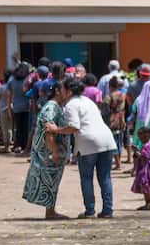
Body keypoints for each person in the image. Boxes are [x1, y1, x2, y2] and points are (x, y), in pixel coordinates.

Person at [45, 77, 117, 219]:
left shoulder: (71, 105)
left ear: (69, 91)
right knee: (105, 177)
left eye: (64, 88)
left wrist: (56, 129)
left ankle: (90, 211)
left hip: (88, 143)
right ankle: (107, 210)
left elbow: (74, 127)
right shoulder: (88, 101)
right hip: (107, 140)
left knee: (86, 178)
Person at [22, 78, 73, 220]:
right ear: (57, 91)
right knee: (50, 180)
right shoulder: (51, 108)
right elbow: (48, 131)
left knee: (52, 181)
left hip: (51, 151)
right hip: (48, 153)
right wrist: (54, 151)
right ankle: (50, 212)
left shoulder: (56, 107)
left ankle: (51, 210)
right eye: (65, 90)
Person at [103, 77, 128, 169]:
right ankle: (119, 162)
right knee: (119, 142)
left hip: (112, 121)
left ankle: (118, 164)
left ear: (109, 86)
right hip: (121, 120)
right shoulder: (122, 95)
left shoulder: (108, 97)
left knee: (113, 142)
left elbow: (105, 112)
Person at [131, 126, 150, 210]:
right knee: (144, 185)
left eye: (143, 137)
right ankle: (147, 202)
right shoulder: (147, 144)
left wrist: (136, 151)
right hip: (143, 167)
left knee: (144, 184)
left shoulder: (147, 145)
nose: (142, 139)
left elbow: (144, 157)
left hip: (145, 168)